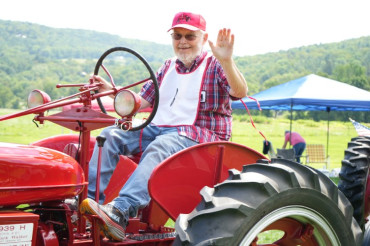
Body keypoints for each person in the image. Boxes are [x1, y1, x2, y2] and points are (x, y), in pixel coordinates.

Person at [80, 11, 248, 241]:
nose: (183, 42)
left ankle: (120, 210)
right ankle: (87, 207)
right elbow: (141, 102)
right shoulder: (167, 66)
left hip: (202, 135)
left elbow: (239, 92)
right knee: (111, 135)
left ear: (203, 37)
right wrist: (111, 91)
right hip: (161, 127)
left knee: (162, 145)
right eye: (177, 36)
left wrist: (227, 60)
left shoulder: (215, 65)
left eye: (190, 36)